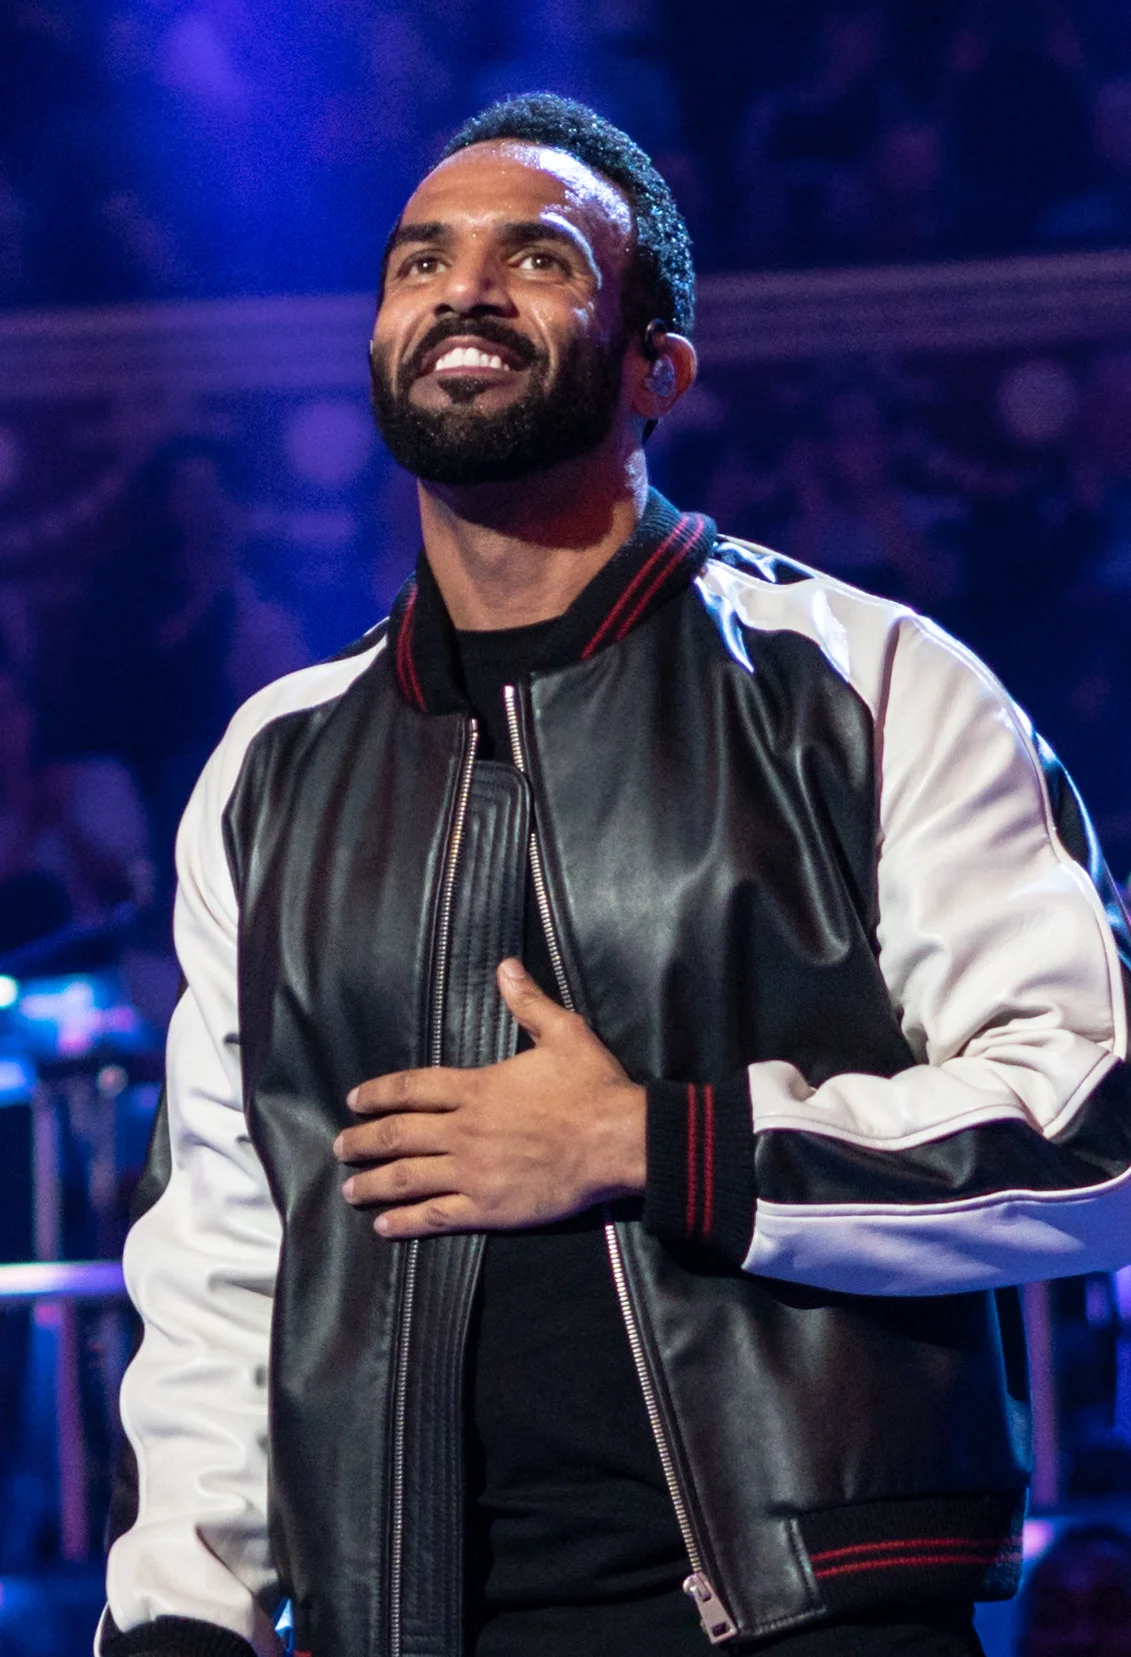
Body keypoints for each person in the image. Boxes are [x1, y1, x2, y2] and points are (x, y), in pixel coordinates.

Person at [99, 94, 1131, 1657]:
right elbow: (225, 1262)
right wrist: (182, 1621)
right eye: (420, 261)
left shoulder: (860, 683)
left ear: (659, 369)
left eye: (536, 260)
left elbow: (1093, 1124)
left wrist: (651, 1145)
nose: (463, 289)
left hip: (811, 1614)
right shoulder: (274, 765)